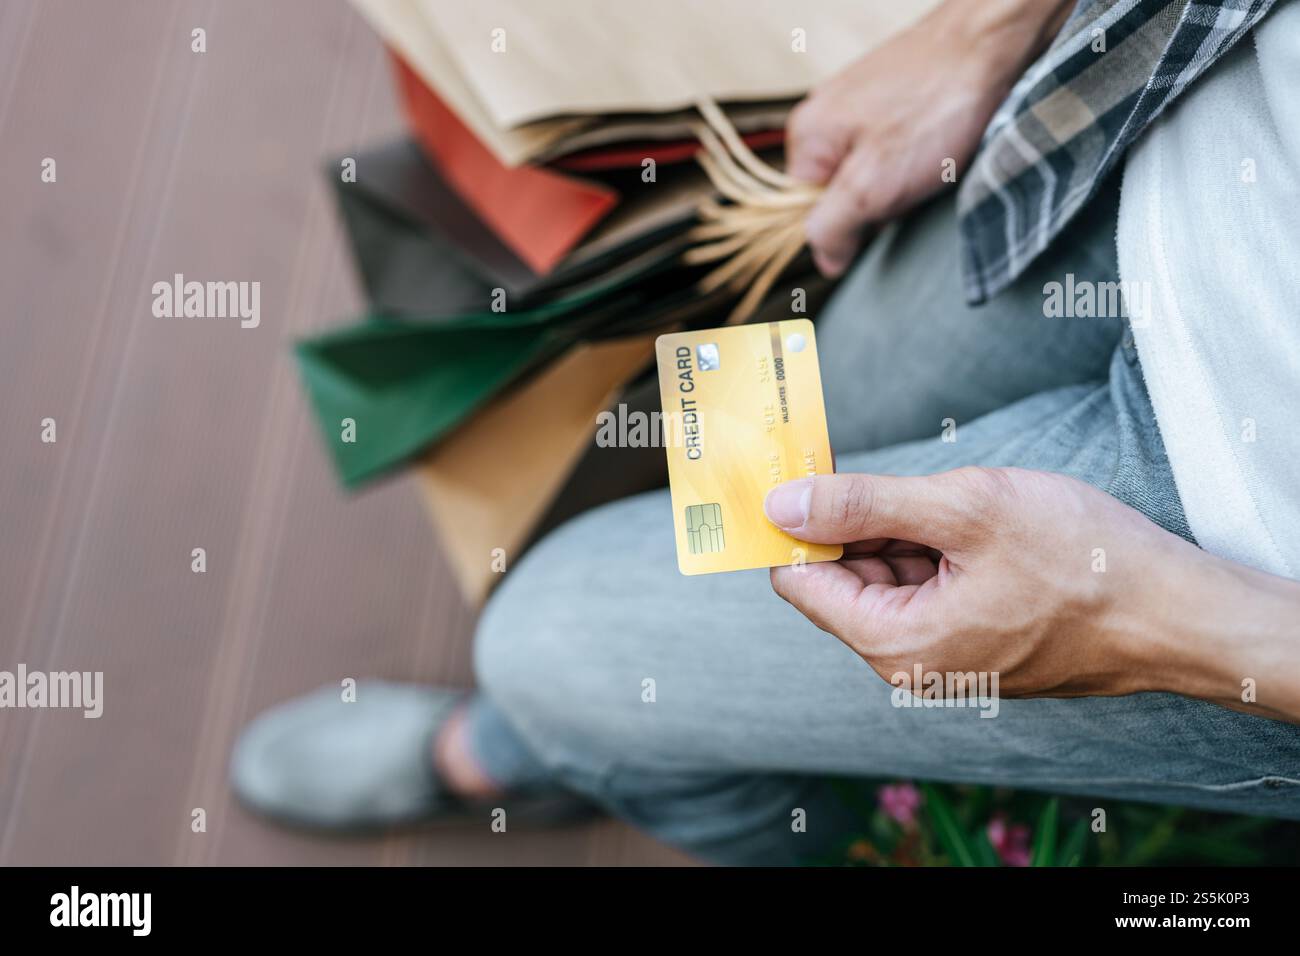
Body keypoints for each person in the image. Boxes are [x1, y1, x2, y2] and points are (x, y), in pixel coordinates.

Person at [231, 0, 1300, 864]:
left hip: (1238, 552)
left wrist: (1158, 622)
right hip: (1165, 122)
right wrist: (992, 23)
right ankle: (673, 723)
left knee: (550, 644)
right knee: (756, 422)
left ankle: (545, 747)